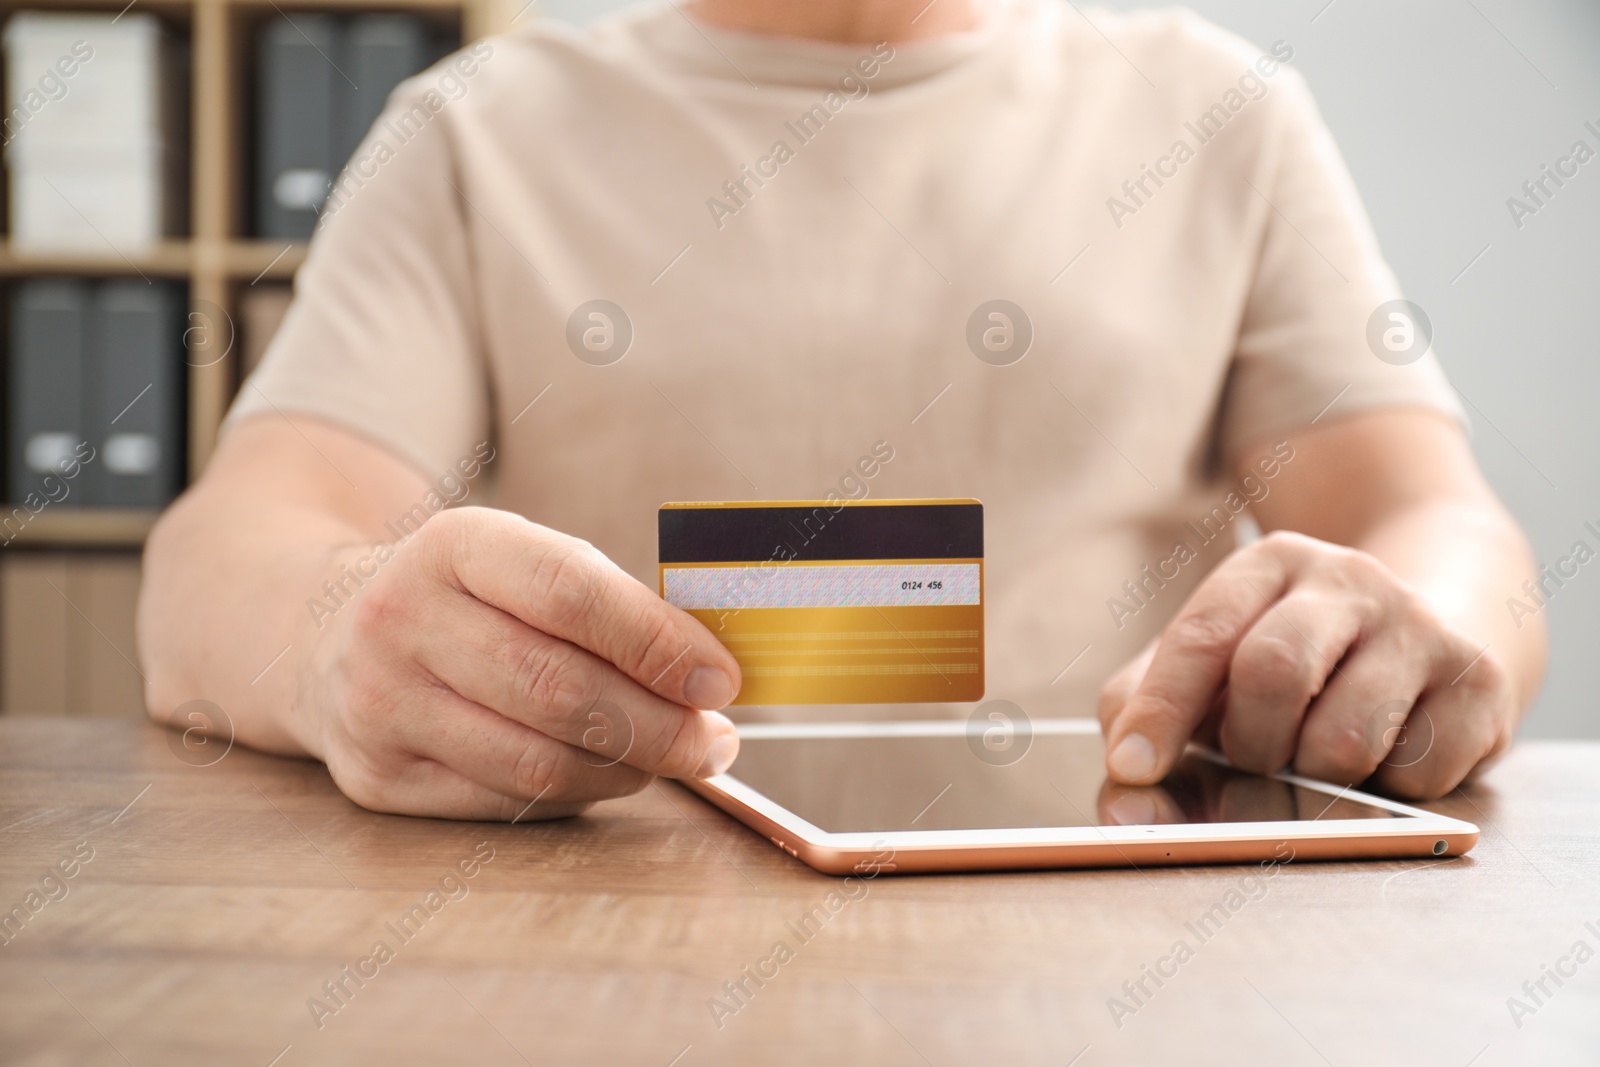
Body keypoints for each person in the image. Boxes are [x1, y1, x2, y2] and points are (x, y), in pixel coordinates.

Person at [138, 0, 1545, 820]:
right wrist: (336, 638)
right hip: (602, 968)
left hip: (1114, 960)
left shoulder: (1224, 113)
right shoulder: (473, 129)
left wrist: (1422, 639)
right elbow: (227, 555)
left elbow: (1428, 523)